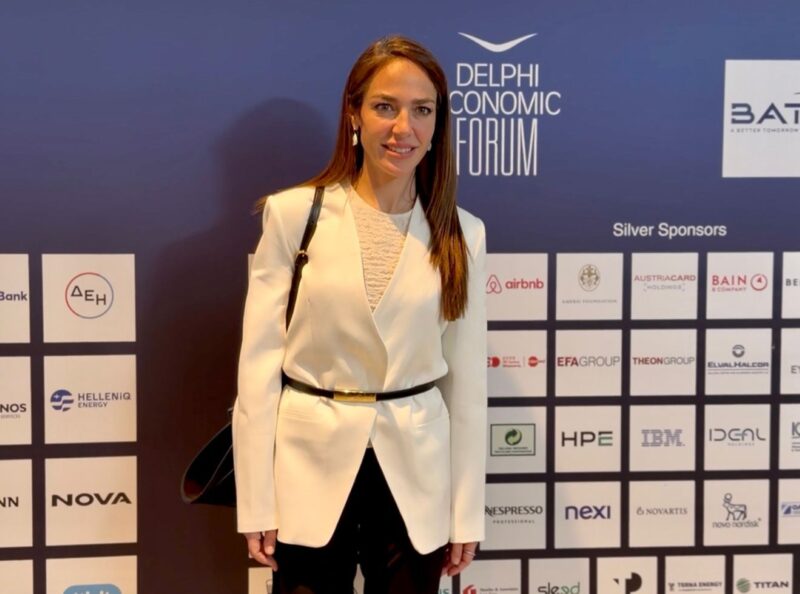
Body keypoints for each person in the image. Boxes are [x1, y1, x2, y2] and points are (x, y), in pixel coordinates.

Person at [232, 35, 487, 594]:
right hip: (309, 467)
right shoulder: (293, 215)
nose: (404, 128)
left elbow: (467, 385)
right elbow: (258, 369)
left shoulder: (462, 233)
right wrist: (256, 500)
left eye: (422, 110)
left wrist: (467, 511)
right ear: (354, 113)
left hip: (417, 476)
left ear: (438, 124)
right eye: (385, 106)